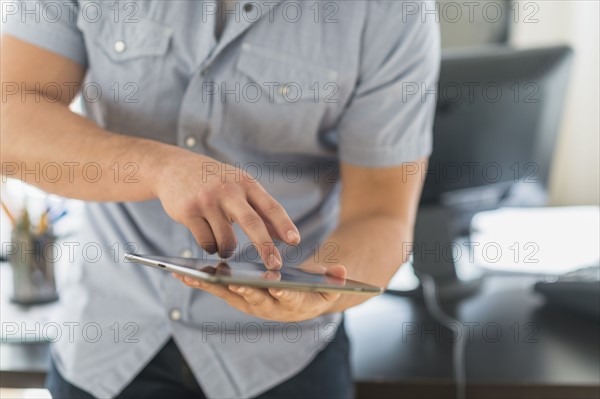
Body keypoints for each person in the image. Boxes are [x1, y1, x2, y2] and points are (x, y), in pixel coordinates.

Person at [1, 0, 439, 398]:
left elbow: (382, 212)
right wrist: (157, 168)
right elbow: (10, 119)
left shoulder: (391, 12)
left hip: (284, 366)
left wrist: (322, 292)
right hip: (105, 348)